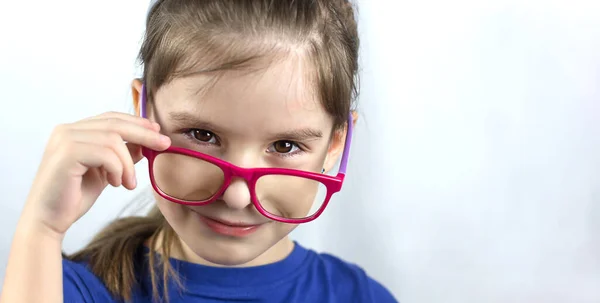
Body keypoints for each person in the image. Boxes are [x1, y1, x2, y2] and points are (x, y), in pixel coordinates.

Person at [0, 0, 398, 302]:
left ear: (335, 144)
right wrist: (41, 229)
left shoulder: (361, 296)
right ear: (144, 111)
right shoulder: (61, 288)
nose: (237, 195)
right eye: (202, 135)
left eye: (285, 145)